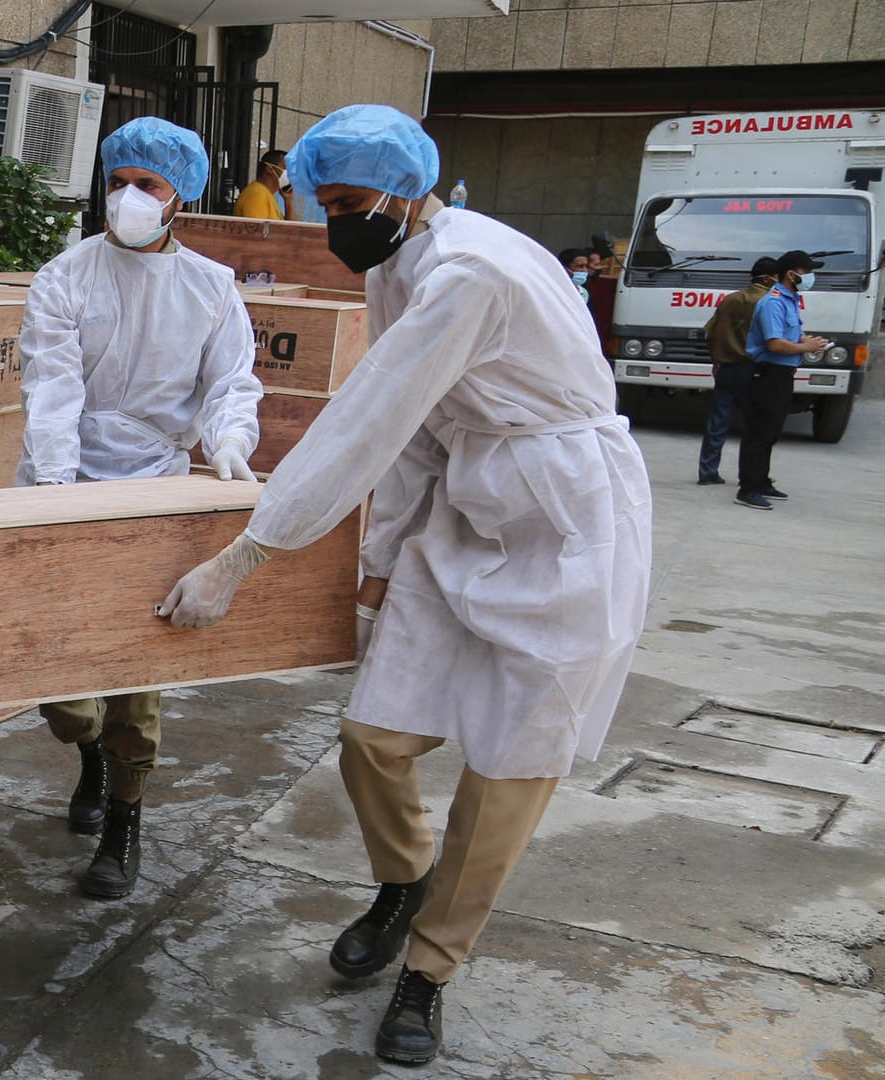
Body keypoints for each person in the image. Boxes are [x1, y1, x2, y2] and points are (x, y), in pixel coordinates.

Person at [158, 104, 651, 1066]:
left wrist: (248, 554)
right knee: (372, 737)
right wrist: (379, 561)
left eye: (346, 202)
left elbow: (367, 419)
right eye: (324, 202)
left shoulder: (473, 271)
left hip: (567, 524)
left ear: (403, 187)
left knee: (507, 776)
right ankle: (404, 878)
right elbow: (419, 433)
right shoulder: (397, 259)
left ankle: (429, 971)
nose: (338, 222)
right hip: (466, 508)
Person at [20, 116, 263, 900]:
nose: (127, 197)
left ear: (178, 197)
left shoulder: (213, 288)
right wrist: (57, 489)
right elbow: (52, 388)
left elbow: (231, 382)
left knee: (138, 677)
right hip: (65, 486)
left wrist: (228, 440)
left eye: (146, 185)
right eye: (117, 181)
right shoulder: (66, 277)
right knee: (61, 681)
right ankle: (86, 751)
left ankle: (125, 818)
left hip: (156, 485)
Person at [736, 249, 828, 510]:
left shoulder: (790, 300)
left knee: (771, 431)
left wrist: (807, 341)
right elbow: (775, 344)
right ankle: (748, 488)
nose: (811, 277)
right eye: (807, 272)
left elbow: (789, 336)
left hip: (781, 374)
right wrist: (806, 348)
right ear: (792, 274)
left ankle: (761, 480)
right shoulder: (774, 302)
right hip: (767, 373)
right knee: (759, 432)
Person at [698, 257, 780, 485]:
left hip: (726, 368)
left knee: (718, 422)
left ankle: (707, 471)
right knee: (756, 426)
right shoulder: (770, 302)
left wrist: (717, 360)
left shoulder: (730, 300)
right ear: (767, 278)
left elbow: (711, 333)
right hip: (755, 370)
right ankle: (752, 475)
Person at [233, 148, 301, 221]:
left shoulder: (266, 194)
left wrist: (289, 200)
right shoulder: (257, 194)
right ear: (270, 169)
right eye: (286, 167)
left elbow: (290, 230)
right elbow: (258, 230)